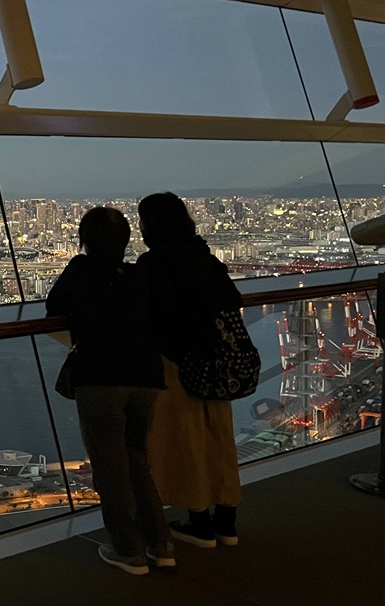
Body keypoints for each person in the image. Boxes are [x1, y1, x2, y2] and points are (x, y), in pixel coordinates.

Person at [46, 207, 173, 575]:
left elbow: (54, 310)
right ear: (126, 241)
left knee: (110, 466)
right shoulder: (140, 275)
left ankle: (128, 548)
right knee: (137, 460)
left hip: (100, 378)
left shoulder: (80, 271)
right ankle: (161, 544)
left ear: (84, 240)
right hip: (146, 378)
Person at [136, 192, 242, 548]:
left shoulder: (152, 265)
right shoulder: (205, 258)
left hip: (176, 362)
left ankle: (200, 522)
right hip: (216, 360)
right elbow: (232, 300)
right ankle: (226, 522)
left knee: (187, 441)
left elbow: (148, 314)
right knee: (219, 436)